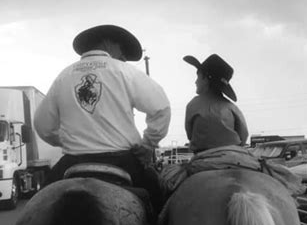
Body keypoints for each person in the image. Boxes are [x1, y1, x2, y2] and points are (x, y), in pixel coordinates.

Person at [34, 24, 171, 211]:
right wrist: (148, 143)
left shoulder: (64, 76)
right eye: (122, 50)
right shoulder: (124, 71)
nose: (123, 57)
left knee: (39, 202)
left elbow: (43, 126)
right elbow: (160, 108)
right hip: (123, 160)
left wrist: (65, 141)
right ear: (109, 43)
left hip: (74, 161)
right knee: (160, 202)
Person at [183, 53, 249, 153]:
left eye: (198, 77)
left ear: (205, 79)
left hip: (202, 158)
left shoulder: (193, 105)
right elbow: (244, 136)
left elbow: (190, 135)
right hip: (233, 156)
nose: (195, 82)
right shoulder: (232, 107)